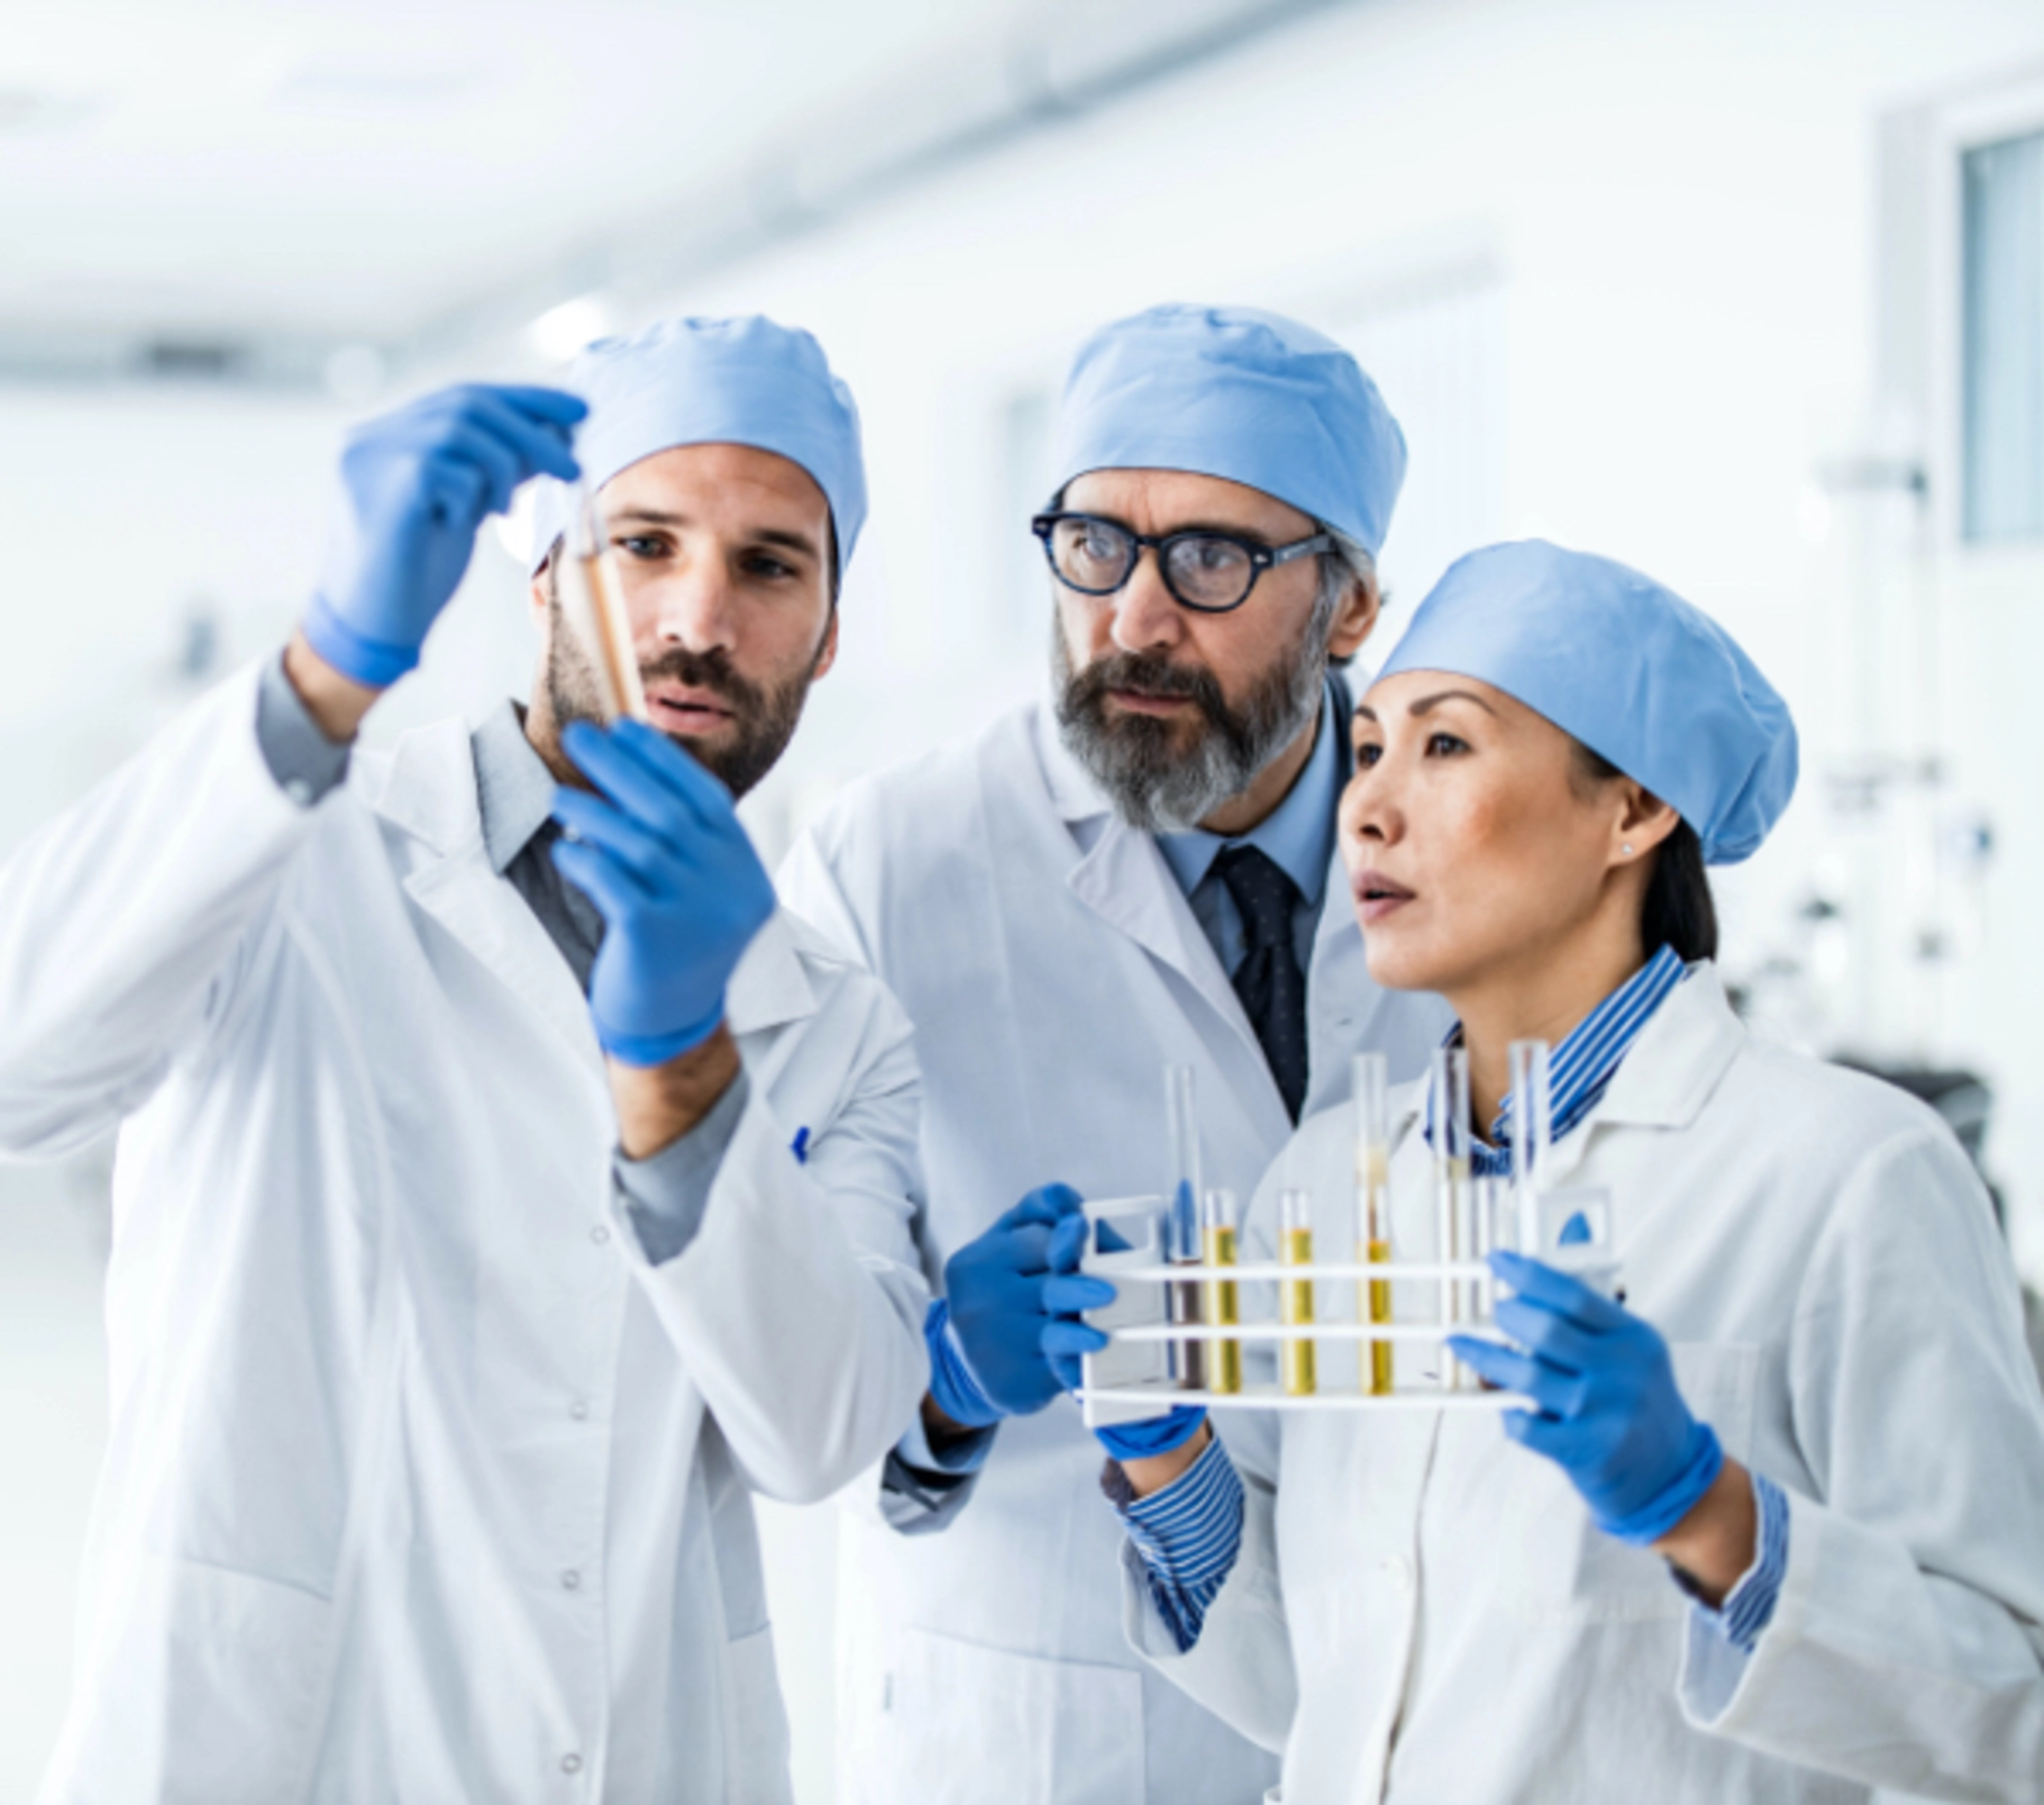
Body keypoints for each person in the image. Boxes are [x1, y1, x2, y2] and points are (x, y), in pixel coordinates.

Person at [6, 316, 929, 1803]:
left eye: (770, 565)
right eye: (642, 541)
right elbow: (20, 1064)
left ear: (826, 630)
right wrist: (319, 674)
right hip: (271, 1748)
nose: (699, 617)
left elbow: (817, 1429)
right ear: (547, 569)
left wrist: (684, 1069)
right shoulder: (302, 852)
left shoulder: (835, 1022)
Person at [1064, 540, 2044, 1802]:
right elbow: (1326, 1694)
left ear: (1632, 810)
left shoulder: (1850, 1176)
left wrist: (1715, 1520)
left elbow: (2018, 1714)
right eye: (1370, 752)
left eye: (1448, 746)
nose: (1366, 808)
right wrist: (1164, 1456)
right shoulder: (1329, 1181)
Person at [781, 304, 1449, 1802]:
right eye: (1094, 547)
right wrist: (943, 1380)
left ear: (1347, 609)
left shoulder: (1470, 847)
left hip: (1417, 1698)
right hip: (1033, 1726)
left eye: (1213, 560)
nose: (1135, 620)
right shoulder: (890, 861)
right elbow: (778, 1368)